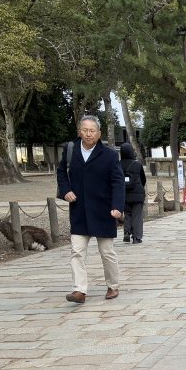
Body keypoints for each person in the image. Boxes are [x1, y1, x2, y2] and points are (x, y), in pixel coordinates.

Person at [57, 114, 125, 304]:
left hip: (104, 210)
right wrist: (66, 191)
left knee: (107, 252)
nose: (88, 134)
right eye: (85, 130)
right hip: (79, 209)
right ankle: (79, 290)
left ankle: (113, 285)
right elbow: (61, 173)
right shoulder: (70, 150)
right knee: (77, 251)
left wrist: (117, 206)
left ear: (99, 133)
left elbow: (118, 182)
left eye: (92, 131)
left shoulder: (110, 155)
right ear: (80, 131)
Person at [119, 142, 147, 244]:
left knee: (127, 213)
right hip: (137, 193)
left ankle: (127, 232)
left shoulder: (117, 165)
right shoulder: (137, 165)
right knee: (137, 215)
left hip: (124, 193)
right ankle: (136, 237)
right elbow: (143, 179)